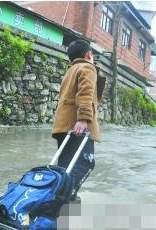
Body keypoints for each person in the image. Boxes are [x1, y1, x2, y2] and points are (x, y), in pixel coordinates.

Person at [52, 40, 104, 201]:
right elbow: (85, 93)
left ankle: (57, 204)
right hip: (78, 126)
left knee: (65, 167)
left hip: (63, 126)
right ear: (89, 55)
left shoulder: (70, 70)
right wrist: (83, 118)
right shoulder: (87, 67)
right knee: (85, 164)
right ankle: (64, 199)